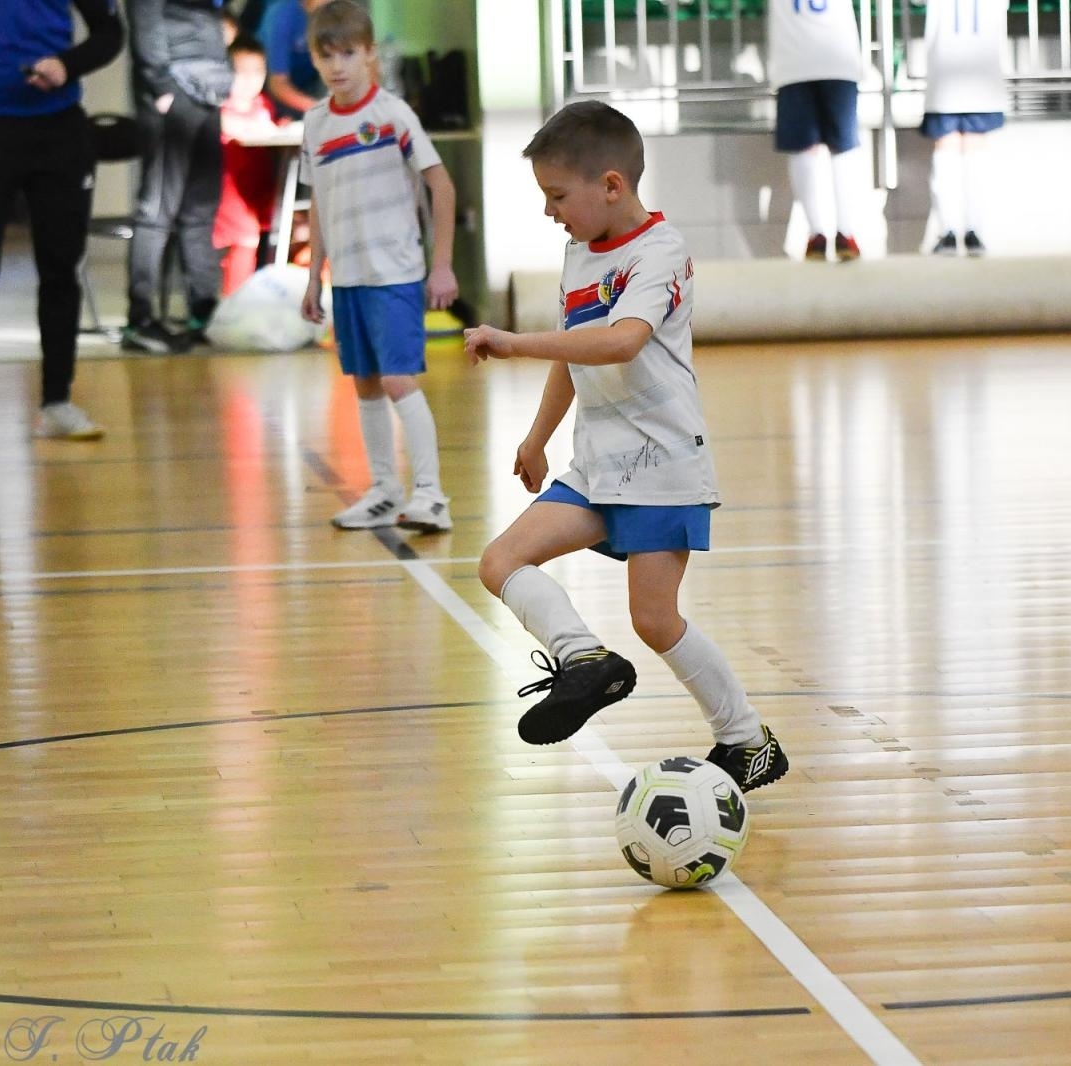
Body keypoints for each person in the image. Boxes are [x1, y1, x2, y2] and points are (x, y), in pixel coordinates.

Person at [462, 101, 789, 793]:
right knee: (500, 561)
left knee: (654, 619)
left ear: (611, 186)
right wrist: (536, 436)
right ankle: (584, 660)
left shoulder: (660, 251)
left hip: (662, 465)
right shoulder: (579, 250)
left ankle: (747, 740)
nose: (551, 211)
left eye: (558, 196)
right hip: (596, 465)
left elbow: (621, 338)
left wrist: (514, 342)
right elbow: (575, 351)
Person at [297, 0, 457, 533]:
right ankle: (386, 491)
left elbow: (441, 184)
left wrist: (442, 267)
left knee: (396, 379)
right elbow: (317, 202)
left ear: (368, 54)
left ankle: (432, 495)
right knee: (365, 383)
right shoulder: (316, 124)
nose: (338, 65)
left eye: (349, 53)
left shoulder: (392, 114)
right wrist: (313, 276)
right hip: (348, 279)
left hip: (395, 272)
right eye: (328, 55)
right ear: (316, 61)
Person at [0, 0, 124, 440]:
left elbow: (110, 34)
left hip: (58, 131)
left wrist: (65, 64)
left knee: (61, 266)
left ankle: (57, 399)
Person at [124, 0, 233, 354]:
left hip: (209, 90)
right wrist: (161, 84)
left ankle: (203, 312)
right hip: (173, 89)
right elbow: (145, 14)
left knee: (201, 210)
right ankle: (140, 321)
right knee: (156, 211)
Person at [767, 0, 863, 262]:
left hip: (794, 59)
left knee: (803, 148)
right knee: (842, 146)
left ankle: (817, 234)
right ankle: (846, 233)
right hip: (837, 56)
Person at [920, 0, 1006, 256]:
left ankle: (948, 232)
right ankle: (974, 232)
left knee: (945, 146)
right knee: (976, 145)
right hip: (983, 67)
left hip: (944, 67)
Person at [214, 34, 278, 296]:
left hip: (261, 188)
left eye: (258, 71)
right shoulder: (221, 109)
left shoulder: (263, 105)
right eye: (242, 72)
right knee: (245, 239)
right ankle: (235, 303)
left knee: (292, 227)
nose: (251, 79)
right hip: (231, 194)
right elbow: (233, 128)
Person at [260, 0, 332, 117]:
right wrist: (322, 110)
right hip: (273, 98)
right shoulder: (283, 15)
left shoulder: (340, 14)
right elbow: (277, 85)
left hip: (311, 86)